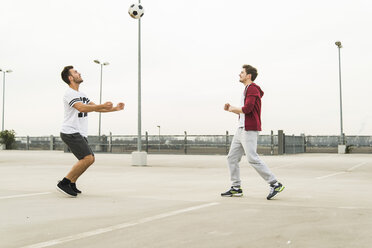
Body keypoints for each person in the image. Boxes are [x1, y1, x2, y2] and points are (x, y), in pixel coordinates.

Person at [57, 65, 125, 197]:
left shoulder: (81, 94)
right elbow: (81, 108)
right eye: (76, 72)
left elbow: (95, 108)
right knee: (88, 158)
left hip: (80, 133)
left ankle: (72, 182)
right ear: (70, 78)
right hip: (70, 132)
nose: (79, 73)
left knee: (87, 159)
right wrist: (102, 105)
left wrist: (115, 108)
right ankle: (64, 183)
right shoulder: (69, 93)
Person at [221, 64, 284, 200]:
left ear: (248, 75)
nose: (239, 74)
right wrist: (232, 110)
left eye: (242, 72)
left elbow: (248, 108)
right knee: (232, 158)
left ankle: (275, 183)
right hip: (241, 128)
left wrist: (232, 108)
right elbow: (245, 111)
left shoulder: (253, 89)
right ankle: (236, 188)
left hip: (249, 129)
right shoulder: (246, 90)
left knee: (252, 158)